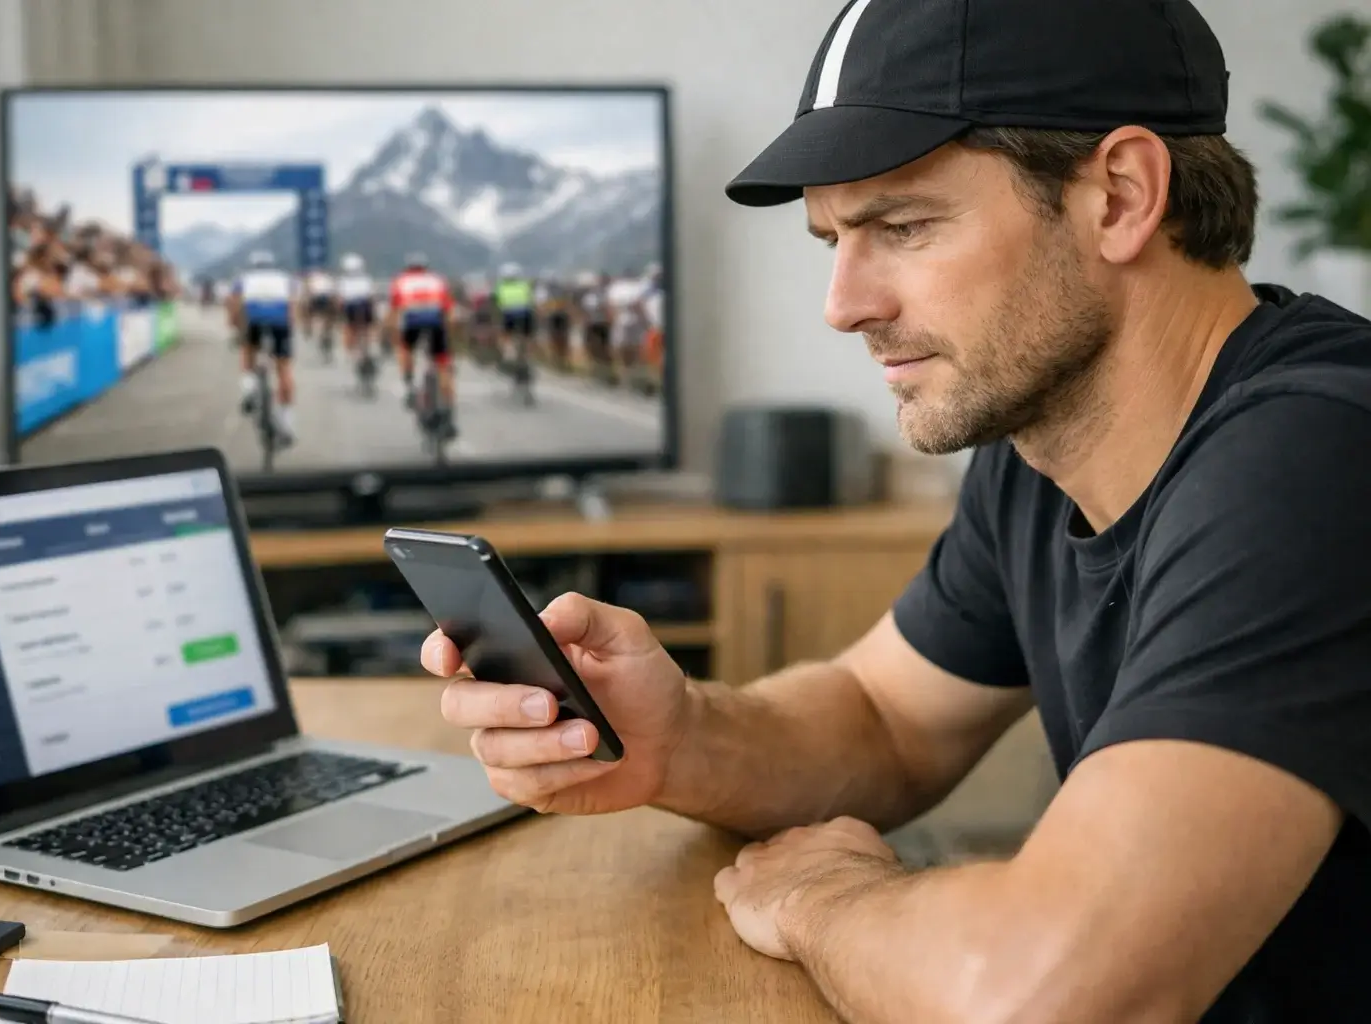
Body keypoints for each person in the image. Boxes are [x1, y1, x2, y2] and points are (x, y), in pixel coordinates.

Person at [421, 0, 1371, 1021]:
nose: (843, 303)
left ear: (1121, 195)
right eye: (833, 238)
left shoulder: (1320, 456)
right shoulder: (1040, 443)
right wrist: (679, 736)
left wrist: (825, 898)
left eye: (904, 226)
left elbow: (1053, 994)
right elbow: (887, 721)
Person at [228, 249, 300, 446]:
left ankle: (249, 390)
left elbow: (234, 304)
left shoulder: (244, 279)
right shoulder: (285, 279)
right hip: (280, 323)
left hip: (254, 322)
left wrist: (235, 326)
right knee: (284, 369)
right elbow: (294, 305)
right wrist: (290, 327)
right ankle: (287, 423)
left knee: (247, 352)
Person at [390, 252, 457, 438]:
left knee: (405, 349)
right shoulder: (437, 280)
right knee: (443, 366)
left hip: (412, 323)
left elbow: (395, 310)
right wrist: (449, 333)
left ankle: (409, 382)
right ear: (426, 267)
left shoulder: (401, 281)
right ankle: (450, 413)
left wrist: (393, 332)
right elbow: (449, 310)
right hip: (435, 324)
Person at [493, 262, 537, 375]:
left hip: (509, 314)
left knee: (504, 335)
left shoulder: (500, 286)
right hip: (526, 313)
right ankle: (528, 356)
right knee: (528, 336)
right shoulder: (524, 284)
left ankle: (509, 354)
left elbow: (497, 303)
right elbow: (531, 300)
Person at [336, 252, 377, 364]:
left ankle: (349, 351)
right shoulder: (367, 279)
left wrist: (339, 313)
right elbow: (372, 297)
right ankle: (368, 347)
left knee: (349, 328)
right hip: (364, 306)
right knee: (368, 327)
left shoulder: (343, 281)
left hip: (351, 307)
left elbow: (340, 300)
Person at [304, 262, 338, 357]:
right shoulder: (327, 279)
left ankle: (312, 329)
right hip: (322, 300)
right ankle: (324, 332)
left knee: (314, 315)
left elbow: (308, 293)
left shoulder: (314, 279)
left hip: (320, 299)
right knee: (326, 318)